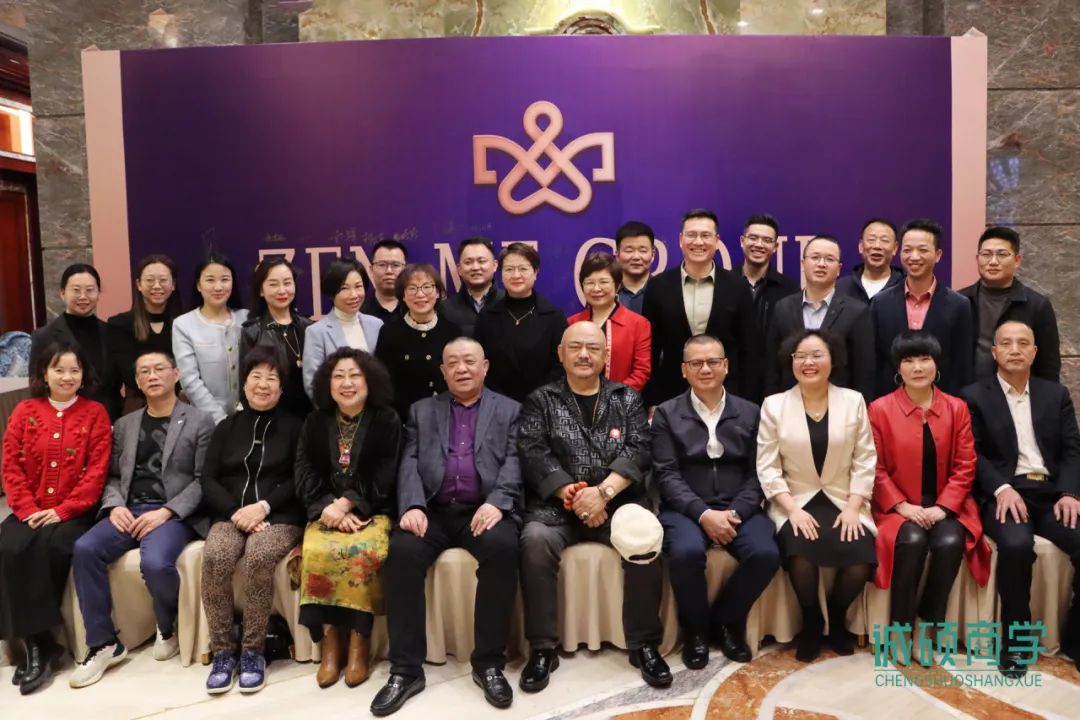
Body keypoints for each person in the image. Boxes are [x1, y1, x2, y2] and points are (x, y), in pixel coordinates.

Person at [517, 322, 670, 691]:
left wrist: (602, 493)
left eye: (593, 348)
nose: (584, 355)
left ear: (606, 356)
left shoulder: (626, 398)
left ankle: (644, 644)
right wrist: (572, 495)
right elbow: (533, 452)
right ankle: (542, 647)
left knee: (644, 540)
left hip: (616, 503)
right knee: (534, 540)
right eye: (575, 347)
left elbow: (639, 449)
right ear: (561, 354)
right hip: (557, 506)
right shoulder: (540, 400)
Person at [372, 338, 522, 715]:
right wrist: (412, 505)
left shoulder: (510, 409)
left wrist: (498, 501)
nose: (461, 368)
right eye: (452, 363)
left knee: (503, 549)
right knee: (402, 553)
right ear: (442, 371)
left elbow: (515, 461)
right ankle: (406, 670)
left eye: (469, 361)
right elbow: (409, 461)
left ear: (485, 367)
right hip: (433, 510)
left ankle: (488, 663)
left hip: (482, 509)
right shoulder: (422, 410)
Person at [69, 350, 214, 688]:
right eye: (144, 371)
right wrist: (114, 506)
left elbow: (202, 480)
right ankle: (103, 643)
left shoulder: (200, 421)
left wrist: (167, 511)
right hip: (129, 509)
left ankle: (167, 625)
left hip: (172, 512)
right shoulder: (125, 424)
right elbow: (113, 476)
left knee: (155, 562)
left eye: (159, 369)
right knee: (85, 549)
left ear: (176, 374)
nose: (152, 376)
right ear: (136, 381)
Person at [653, 335, 781, 668]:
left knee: (766, 554)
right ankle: (695, 632)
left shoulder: (751, 412)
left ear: (725, 366)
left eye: (712, 362)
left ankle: (725, 622)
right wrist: (703, 514)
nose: (705, 369)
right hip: (686, 509)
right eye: (696, 363)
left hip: (740, 507)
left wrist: (735, 511)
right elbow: (666, 474)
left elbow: (760, 472)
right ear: (683, 370)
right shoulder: (666, 413)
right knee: (685, 552)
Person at [962, 319, 1080, 676]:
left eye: (1023, 343)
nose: (1015, 350)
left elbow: (1072, 449)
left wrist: (1070, 492)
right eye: (1007, 343)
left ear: (1035, 351)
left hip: (1050, 494)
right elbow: (972, 453)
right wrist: (1001, 487)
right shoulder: (974, 396)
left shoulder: (1055, 394)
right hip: (1005, 493)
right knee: (1015, 546)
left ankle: (1075, 636)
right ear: (994, 352)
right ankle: (1016, 641)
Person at [868, 332, 990, 663]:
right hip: (897, 507)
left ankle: (926, 625)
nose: (918, 367)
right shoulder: (879, 409)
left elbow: (965, 465)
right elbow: (874, 466)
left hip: (946, 505)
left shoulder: (956, 408)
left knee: (950, 542)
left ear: (937, 365)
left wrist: (943, 507)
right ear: (898, 368)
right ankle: (899, 628)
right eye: (908, 360)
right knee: (911, 541)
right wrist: (902, 505)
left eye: (925, 359)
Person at [757, 329, 877, 662]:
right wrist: (791, 510)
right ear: (791, 362)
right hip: (795, 499)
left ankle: (836, 617)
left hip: (843, 497)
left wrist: (854, 507)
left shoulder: (853, 401)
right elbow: (767, 467)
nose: (808, 362)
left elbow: (865, 459)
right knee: (800, 550)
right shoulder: (774, 405)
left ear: (832, 359)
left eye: (816, 355)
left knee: (860, 556)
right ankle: (811, 621)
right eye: (801, 356)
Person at [0, 341, 112, 695]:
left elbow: (96, 472)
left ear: (84, 375)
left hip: (75, 511)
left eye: (74, 370)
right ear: (44, 374)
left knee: (51, 547)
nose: (67, 377)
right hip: (30, 509)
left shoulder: (95, 413)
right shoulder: (25, 411)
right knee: (9, 546)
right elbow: (10, 466)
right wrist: (28, 509)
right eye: (58, 369)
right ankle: (40, 642)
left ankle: (40, 647)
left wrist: (63, 510)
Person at [199, 345, 307, 694]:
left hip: (280, 515)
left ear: (282, 387)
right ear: (244, 384)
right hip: (231, 514)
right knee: (216, 555)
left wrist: (263, 507)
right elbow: (208, 479)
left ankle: (252, 651)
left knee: (259, 554)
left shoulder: (296, 427)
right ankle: (222, 652)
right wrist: (236, 511)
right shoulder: (226, 427)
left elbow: (300, 478)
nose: (263, 384)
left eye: (272, 378)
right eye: (256, 377)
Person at [295, 348, 401, 689]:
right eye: (338, 376)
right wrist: (330, 508)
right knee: (316, 552)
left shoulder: (387, 419)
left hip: (372, 510)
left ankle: (358, 642)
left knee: (361, 553)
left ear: (370, 381)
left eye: (355, 375)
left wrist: (347, 504)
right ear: (327, 384)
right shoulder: (315, 421)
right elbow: (304, 472)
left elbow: (385, 475)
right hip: (325, 511)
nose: (347, 383)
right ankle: (330, 644)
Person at [643, 209, 760, 406]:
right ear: (681, 239)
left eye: (705, 235)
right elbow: (650, 351)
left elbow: (749, 350)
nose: (698, 242)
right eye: (691, 235)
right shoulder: (658, 286)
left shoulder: (737, 286)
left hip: (728, 398)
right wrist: (653, 402)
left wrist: (747, 402)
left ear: (716, 240)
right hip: (671, 398)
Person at [869, 219, 973, 397]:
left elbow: (962, 365)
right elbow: (874, 361)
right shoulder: (880, 303)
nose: (914, 257)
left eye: (923, 250)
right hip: (890, 401)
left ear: (938, 255)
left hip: (941, 401)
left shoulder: (959, 305)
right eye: (907, 250)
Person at [766, 235, 875, 401]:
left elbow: (864, 372)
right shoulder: (783, 307)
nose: (821, 264)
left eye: (829, 259)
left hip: (839, 405)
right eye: (815, 257)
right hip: (790, 403)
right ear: (803, 263)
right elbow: (772, 368)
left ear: (839, 269)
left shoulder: (857, 311)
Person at [958, 226, 1060, 382]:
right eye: (986, 254)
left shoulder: (1037, 305)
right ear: (977, 259)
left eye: (1002, 254)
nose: (993, 262)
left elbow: (1048, 366)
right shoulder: (960, 301)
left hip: (1017, 394)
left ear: (1017, 260)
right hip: (966, 394)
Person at [474, 242, 567, 403]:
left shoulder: (554, 317)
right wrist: (501, 401)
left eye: (523, 269)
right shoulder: (487, 317)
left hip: (543, 405)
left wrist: (537, 398)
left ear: (535, 272)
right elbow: (478, 363)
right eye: (509, 269)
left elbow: (561, 365)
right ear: (501, 274)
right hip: (497, 405)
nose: (516, 275)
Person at [30, 263, 121, 419]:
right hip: (63, 420)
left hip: (108, 419)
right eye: (76, 290)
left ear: (98, 293)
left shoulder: (112, 332)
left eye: (90, 290)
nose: (83, 296)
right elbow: (37, 386)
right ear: (62, 293)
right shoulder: (43, 336)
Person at [374, 263, 462, 421]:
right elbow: (382, 382)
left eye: (427, 287)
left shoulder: (452, 331)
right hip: (404, 419)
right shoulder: (389, 332)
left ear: (437, 293)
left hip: (446, 416)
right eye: (412, 288)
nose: (420, 294)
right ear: (403, 295)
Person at [172, 253, 249, 423]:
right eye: (210, 280)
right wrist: (219, 419)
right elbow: (190, 380)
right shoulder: (183, 325)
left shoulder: (247, 319)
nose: (218, 287)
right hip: (206, 421)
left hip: (248, 418)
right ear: (198, 285)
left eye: (225, 279)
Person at [239, 256, 314, 418]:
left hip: (310, 418)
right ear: (261, 290)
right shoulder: (252, 331)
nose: (282, 290)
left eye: (287, 283)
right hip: (272, 419)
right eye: (273, 284)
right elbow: (245, 385)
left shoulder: (310, 328)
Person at [107, 254, 183, 414]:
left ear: (173, 285)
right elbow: (128, 372)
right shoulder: (120, 324)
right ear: (139, 285)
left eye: (163, 280)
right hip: (138, 405)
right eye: (150, 280)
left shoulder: (185, 323)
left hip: (181, 403)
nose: (157, 286)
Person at [567, 253, 651, 393]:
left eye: (604, 282)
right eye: (589, 282)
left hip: (622, 401)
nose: (596, 288)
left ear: (617, 285)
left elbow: (641, 372)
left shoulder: (638, 324)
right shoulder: (572, 323)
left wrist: (614, 398)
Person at [302, 257, 383, 399]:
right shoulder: (317, 332)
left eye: (358, 286)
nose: (354, 295)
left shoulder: (376, 325)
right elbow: (312, 385)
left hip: (376, 408)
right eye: (344, 288)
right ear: (331, 293)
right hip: (335, 410)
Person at [735, 214, 799, 341]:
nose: (759, 244)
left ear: (775, 247)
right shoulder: (724, 284)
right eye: (753, 238)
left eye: (767, 240)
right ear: (742, 241)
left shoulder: (790, 290)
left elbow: (792, 338)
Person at [440, 237, 503, 337]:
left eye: (481, 261)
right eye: (468, 262)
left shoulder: (508, 302)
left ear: (495, 265)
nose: (475, 267)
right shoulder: (445, 309)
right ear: (459, 269)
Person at [836, 218, 904, 304]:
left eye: (884, 240)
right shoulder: (840, 287)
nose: (877, 246)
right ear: (861, 246)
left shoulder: (904, 287)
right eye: (871, 240)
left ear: (895, 248)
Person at [614, 221, 657, 314]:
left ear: (653, 255)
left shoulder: (664, 292)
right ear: (617, 255)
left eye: (643, 251)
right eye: (629, 251)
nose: (636, 257)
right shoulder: (607, 292)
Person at [362, 239, 408, 322]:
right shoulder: (360, 311)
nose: (389, 271)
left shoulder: (416, 309)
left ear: (405, 269)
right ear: (371, 270)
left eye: (396, 265)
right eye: (382, 265)